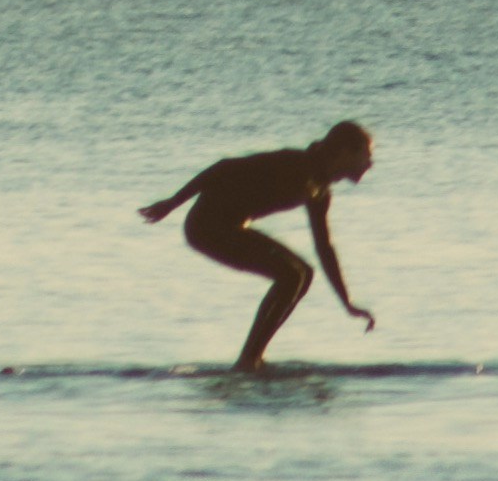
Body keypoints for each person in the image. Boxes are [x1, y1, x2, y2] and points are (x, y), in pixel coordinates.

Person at [136, 121, 377, 373]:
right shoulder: (296, 165)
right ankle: (249, 360)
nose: (370, 163)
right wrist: (172, 203)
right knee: (292, 275)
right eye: (366, 155)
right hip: (206, 227)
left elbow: (324, 247)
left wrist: (346, 301)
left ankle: (252, 357)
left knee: (304, 274)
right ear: (344, 152)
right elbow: (222, 168)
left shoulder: (319, 190)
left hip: (229, 227)